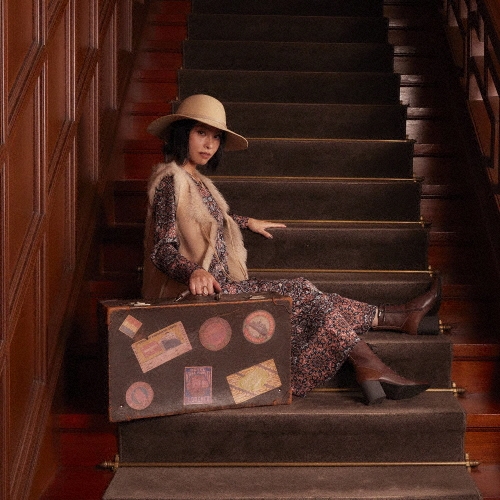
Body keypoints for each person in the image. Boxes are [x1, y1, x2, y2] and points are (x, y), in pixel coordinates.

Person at [142, 94, 440, 405]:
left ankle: (397, 322)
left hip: (223, 288)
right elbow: (162, 248)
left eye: (216, 137)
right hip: (198, 297)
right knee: (302, 291)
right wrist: (194, 270)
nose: (209, 144)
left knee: (319, 300)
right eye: (201, 133)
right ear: (182, 133)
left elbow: (209, 219)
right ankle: (373, 356)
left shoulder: (197, 181)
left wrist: (245, 222)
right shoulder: (170, 182)